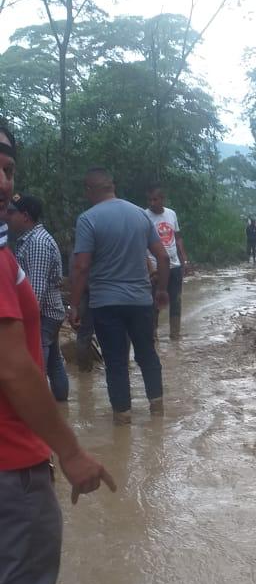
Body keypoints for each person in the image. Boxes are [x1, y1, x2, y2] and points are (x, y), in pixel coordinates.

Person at [0, 126, 116, 584]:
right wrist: (69, 451)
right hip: (10, 464)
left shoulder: (18, 248)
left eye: (8, 168)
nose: (3, 182)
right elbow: (13, 368)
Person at [69, 168, 170, 426]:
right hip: (140, 301)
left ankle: (122, 419)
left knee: (115, 362)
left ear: (90, 189)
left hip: (106, 304)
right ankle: (157, 410)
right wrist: (161, 290)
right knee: (147, 354)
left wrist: (74, 305)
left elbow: (81, 266)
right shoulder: (140, 215)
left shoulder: (88, 219)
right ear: (111, 186)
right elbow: (163, 256)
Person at [7, 194, 69, 402]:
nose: (8, 217)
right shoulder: (32, 239)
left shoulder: (37, 243)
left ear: (25, 216)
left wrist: (22, 321)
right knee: (54, 362)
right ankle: (62, 407)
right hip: (50, 312)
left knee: (36, 364)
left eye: (12, 213)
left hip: (43, 314)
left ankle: (38, 407)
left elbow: (36, 290)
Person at [145, 185, 187, 340]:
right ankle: (153, 335)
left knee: (176, 300)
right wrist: (150, 268)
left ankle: (175, 335)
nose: (152, 203)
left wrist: (184, 259)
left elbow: (178, 238)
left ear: (163, 199)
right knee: (153, 302)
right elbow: (142, 244)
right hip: (155, 266)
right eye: (150, 200)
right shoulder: (144, 216)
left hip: (174, 265)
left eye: (155, 199)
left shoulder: (171, 214)